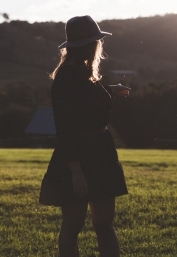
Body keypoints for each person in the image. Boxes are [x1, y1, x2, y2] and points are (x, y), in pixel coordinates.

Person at [39, 15, 129, 257]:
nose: (99, 45)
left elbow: (85, 98)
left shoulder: (84, 71)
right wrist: (76, 171)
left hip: (101, 153)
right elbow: (64, 128)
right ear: (88, 45)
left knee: (104, 224)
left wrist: (111, 90)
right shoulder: (66, 78)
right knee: (72, 225)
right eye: (96, 41)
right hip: (77, 156)